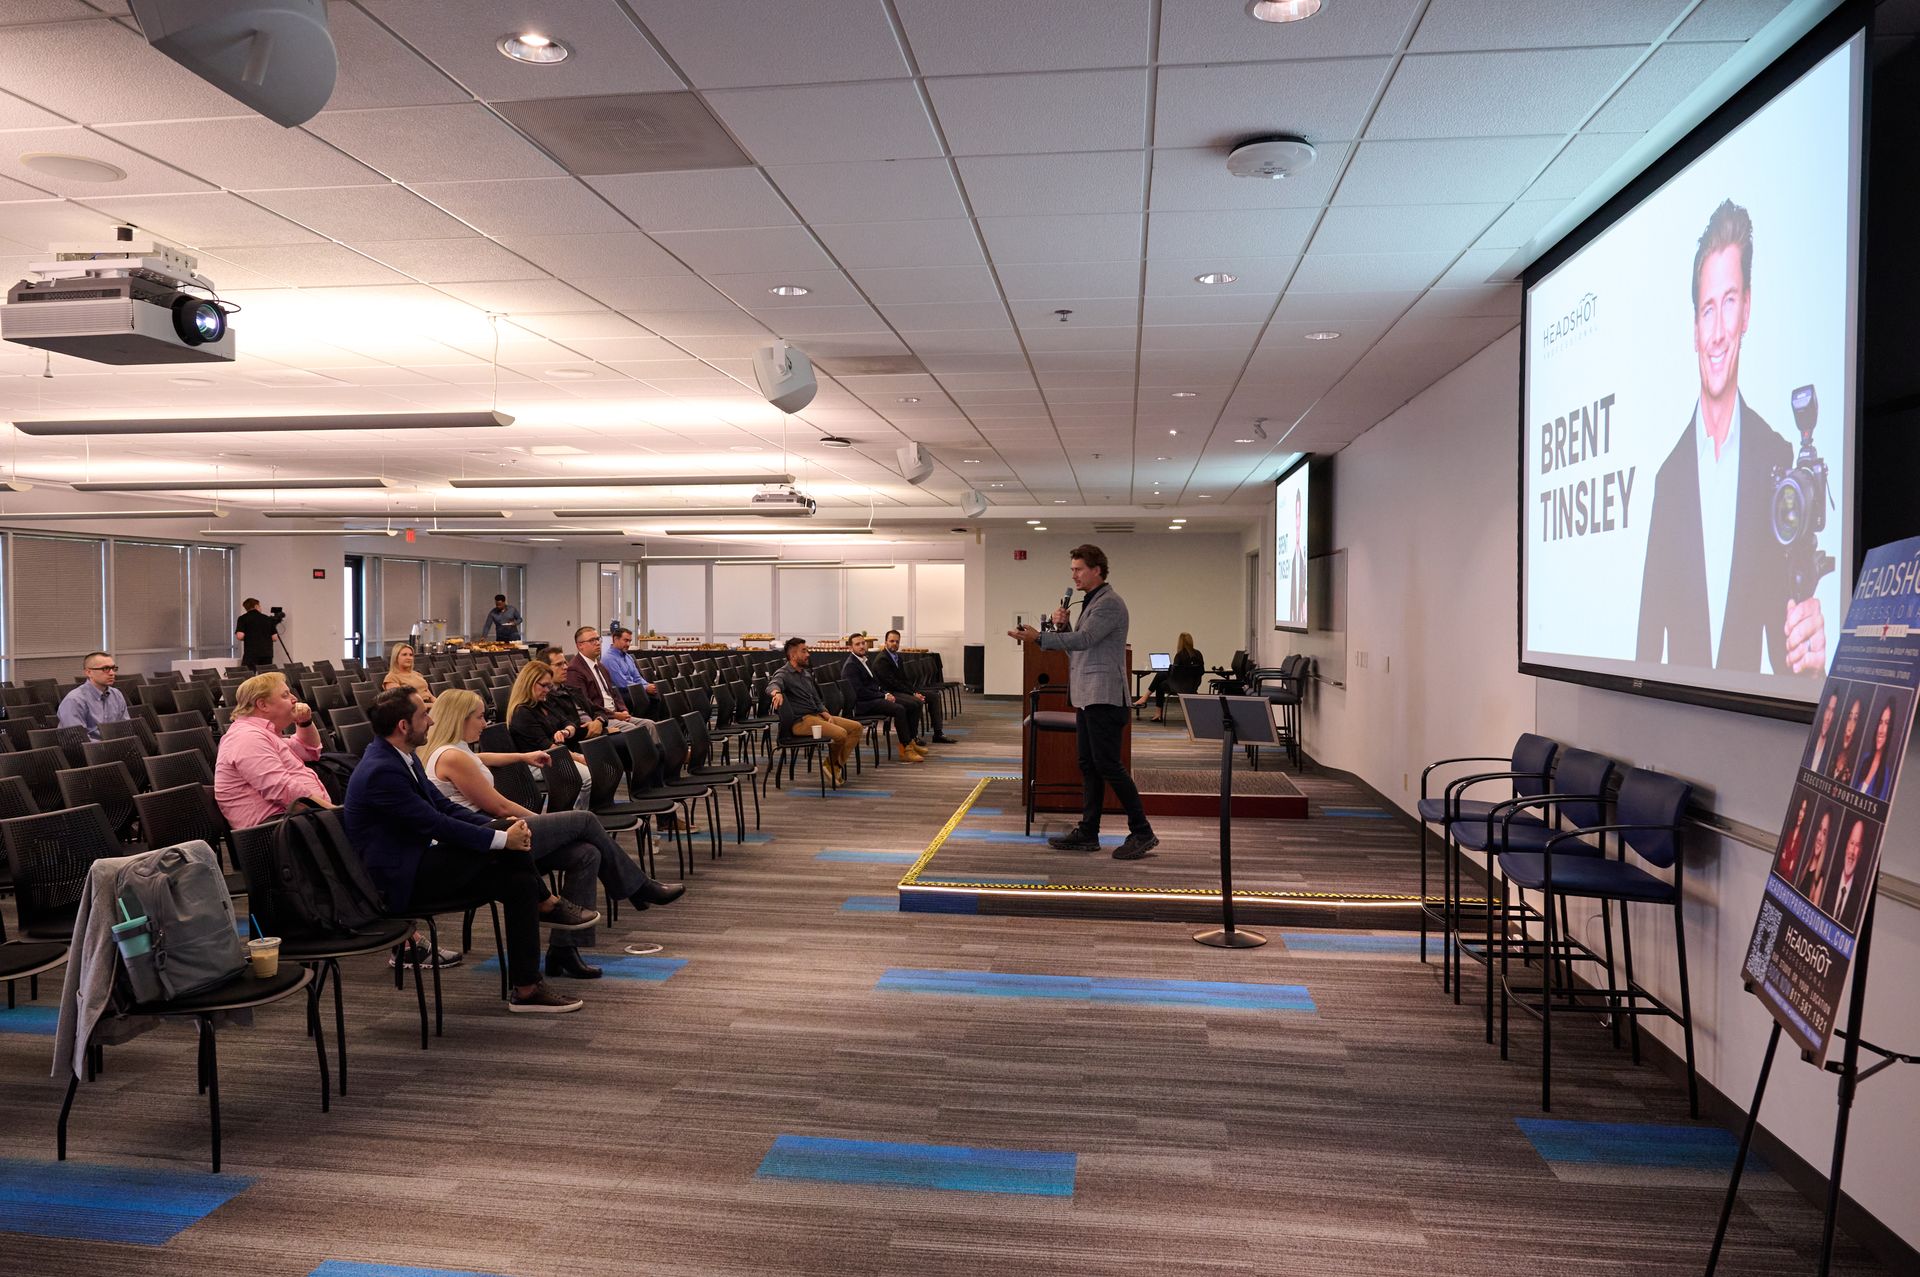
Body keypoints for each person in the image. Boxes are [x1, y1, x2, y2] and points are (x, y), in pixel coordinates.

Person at [1635, 200, 1825, 676]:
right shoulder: (1667, 479)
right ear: (1694, 331)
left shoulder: (1778, 462)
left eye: (1730, 302)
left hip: (1743, 736)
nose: (1718, 331)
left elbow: (1791, 667)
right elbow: (1644, 652)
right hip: (1671, 735)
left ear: (1747, 312)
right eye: (1707, 310)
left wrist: (1812, 661)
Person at [342, 687, 597, 1014]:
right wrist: (502, 837)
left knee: (518, 882)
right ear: (404, 726)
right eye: (423, 715)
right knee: (506, 844)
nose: (432, 721)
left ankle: (527, 987)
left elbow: (444, 807)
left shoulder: (399, 756)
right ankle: (546, 903)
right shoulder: (382, 769)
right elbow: (435, 823)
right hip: (398, 881)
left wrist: (501, 826)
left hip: (418, 862)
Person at [421, 690, 684, 979]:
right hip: (487, 844)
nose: (485, 723)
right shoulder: (452, 756)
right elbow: (497, 805)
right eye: (480, 717)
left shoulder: (455, 750)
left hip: (499, 833)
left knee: (587, 854)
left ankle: (565, 951)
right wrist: (552, 822)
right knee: (583, 821)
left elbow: (481, 758)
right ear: (460, 718)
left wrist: (522, 756)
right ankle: (638, 886)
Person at [1009, 544, 1158, 860]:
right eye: (1072, 569)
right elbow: (1079, 649)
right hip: (1089, 697)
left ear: (1097, 570)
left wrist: (1040, 637)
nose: (1073, 575)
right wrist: (1063, 627)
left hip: (1105, 697)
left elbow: (1086, 640)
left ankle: (1142, 831)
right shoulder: (1091, 602)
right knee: (1089, 766)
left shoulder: (1109, 604)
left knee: (1108, 765)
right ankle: (1088, 832)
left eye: (1078, 569)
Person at [214, 671, 330, 829]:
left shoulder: (263, 734)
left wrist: (304, 722)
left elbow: (309, 751)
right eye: (285, 695)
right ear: (263, 705)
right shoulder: (247, 738)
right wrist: (333, 813)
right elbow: (282, 790)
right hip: (275, 829)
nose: (294, 699)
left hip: (295, 820)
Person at [766, 638, 864, 786]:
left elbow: (817, 700)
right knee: (841, 734)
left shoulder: (806, 674)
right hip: (801, 722)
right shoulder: (784, 673)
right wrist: (776, 693)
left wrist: (826, 714)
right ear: (793, 655)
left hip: (816, 717)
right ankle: (831, 765)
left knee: (856, 727)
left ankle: (834, 766)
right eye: (804, 651)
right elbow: (772, 685)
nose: (808, 654)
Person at [504, 661, 593, 808]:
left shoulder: (541, 703)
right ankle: (579, 819)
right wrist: (578, 757)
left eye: (549, 686)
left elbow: (568, 722)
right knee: (588, 777)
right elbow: (546, 746)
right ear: (529, 683)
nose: (547, 690)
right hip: (535, 762)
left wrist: (565, 731)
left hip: (553, 755)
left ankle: (581, 814)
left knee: (591, 770)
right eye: (544, 685)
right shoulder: (522, 712)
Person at [841, 632, 924, 762]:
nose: (862, 646)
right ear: (851, 648)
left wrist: (884, 693)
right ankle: (906, 749)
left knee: (911, 704)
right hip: (862, 705)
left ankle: (910, 742)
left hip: (872, 698)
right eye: (858, 644)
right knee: (899, 709)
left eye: (863, 643)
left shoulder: (862, 660)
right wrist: (883, 695)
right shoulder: (851, 665)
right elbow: (860, 693)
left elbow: (873, 684)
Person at [873, 630, 955, 744]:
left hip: (901, 690)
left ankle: (938, 733)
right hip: (890, 692)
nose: (894, 644)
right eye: (891, 641)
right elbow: (892, 683)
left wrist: (914, 691)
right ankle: (912, 737)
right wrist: (912, 693)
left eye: (897, 641)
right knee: (916, 701)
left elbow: (904, 680)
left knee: (934, 697)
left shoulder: (897, 657)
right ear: (885, 642)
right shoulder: (882, 660)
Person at [562, 626, 647, 734]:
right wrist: (615, 715)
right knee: (634, 730)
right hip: (601, 718)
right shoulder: (575, 669)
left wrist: (623, 709)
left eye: (598, 639)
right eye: (592, 640)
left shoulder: (600, 666)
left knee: (649, 725)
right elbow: (586, 704)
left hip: (616, 713)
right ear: (580, 646)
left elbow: (614, 691)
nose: (597, 643)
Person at [56, 651, 129, 741]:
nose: (112, 673)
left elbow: (125, 728)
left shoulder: (116, 694)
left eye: (114, 668)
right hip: (87, 751)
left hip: (113, 748)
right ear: (89, 672)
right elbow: (77, 738)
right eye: (105, 669)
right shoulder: (74, 700)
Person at [1133, 632, 1204, 722]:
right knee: (1161, 678)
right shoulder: (1198, 654)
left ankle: (1152, 707)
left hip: (1178, 686)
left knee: (1160, 681)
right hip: (1193, 686)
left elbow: (1175, 675)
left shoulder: (1180, 655)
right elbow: (1202, 671)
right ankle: (1146, 700)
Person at [600, 626, 657, 710]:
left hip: (632, 689)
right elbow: (622, 683)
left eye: (629, 641)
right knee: (650, 699)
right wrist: (644, 688)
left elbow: (637, 677)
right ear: (615, 639)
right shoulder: (609, 659)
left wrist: (647, 685)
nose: (628, 644)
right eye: (625, 640)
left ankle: (656, 721)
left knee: (657, 694)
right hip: (620, 693)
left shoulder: (628, 657)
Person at [1828, 817, 1868, 926]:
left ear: (1860, 852)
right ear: (1846, 846)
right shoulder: (1827, 884)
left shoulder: (1860, 900)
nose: (1852, 852)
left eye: (1857, 845)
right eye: (1851, 843)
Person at [1853, 701, 1895, 800]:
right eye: (1880, 722)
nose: (1881, 730)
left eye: (1887, 723)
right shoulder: (1864, 759)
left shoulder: (1885, 774)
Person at [1796, 810, 1832, 905]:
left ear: (1827, 840)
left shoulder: (1820, 879)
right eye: (1819, 829)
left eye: (1824, 833)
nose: (1820, 837)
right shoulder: (1804, 867)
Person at [1828, 695, 1864, 785]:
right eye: (1849, 718)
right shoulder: (1831, 756)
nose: (1849, 729)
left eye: (1855, 719)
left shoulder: (1856, 768)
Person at [234, 598, 280, 669]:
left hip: (251, 653)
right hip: (267, 653)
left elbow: (240, 636)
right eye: (260, 606)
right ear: (256, 606)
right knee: (265, 676)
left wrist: (249, 637)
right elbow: (274, 638)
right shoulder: (268, 619)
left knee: (249, 676)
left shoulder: (242, 618)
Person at [1775, 795, 1810, 883]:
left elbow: (1791, 872)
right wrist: (1788, 864)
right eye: (1800, 809)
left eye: (1804, 810)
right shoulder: (1789, 833)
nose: (1800, 814)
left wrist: (1785, 861)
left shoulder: (1802, 840)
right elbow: (1780, 866)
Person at [1805, 690, 1840, 773]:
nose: (1828, 717)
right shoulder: (1808, 743)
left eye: (1833, 711)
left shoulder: (1832, 755)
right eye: (1828, 709)